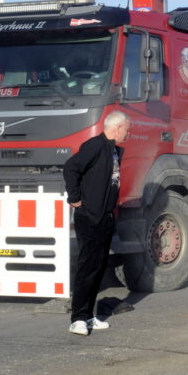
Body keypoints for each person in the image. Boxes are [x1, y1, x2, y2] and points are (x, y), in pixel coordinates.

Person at [63, 111, 130, 335]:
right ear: (117, 128)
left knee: (99, 267)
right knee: (87, 267)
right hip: (89, 217)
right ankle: (78, 319)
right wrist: (74, 198)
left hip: (105, 217)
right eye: (126, 130)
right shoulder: (95, 146)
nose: (127, 134)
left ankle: (89, 317)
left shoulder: (112, 150)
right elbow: (71, 167)